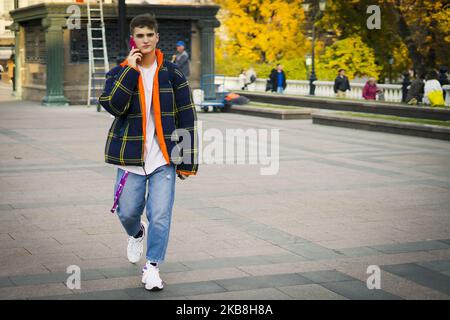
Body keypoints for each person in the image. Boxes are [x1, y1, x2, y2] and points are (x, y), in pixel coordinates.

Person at [98, 13, 198, 291]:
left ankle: (152, 266)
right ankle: (136, 232)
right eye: (139, 36)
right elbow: (113, 107)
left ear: (156, 37)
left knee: (161, 214)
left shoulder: (173, 74)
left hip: (163, 158)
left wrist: (187, 159)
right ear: (134, 39)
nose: (145, 40)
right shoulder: (119, 72)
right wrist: (130, 71)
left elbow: (187, 117)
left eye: (149, 35)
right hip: (130, 158)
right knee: (128, 212)